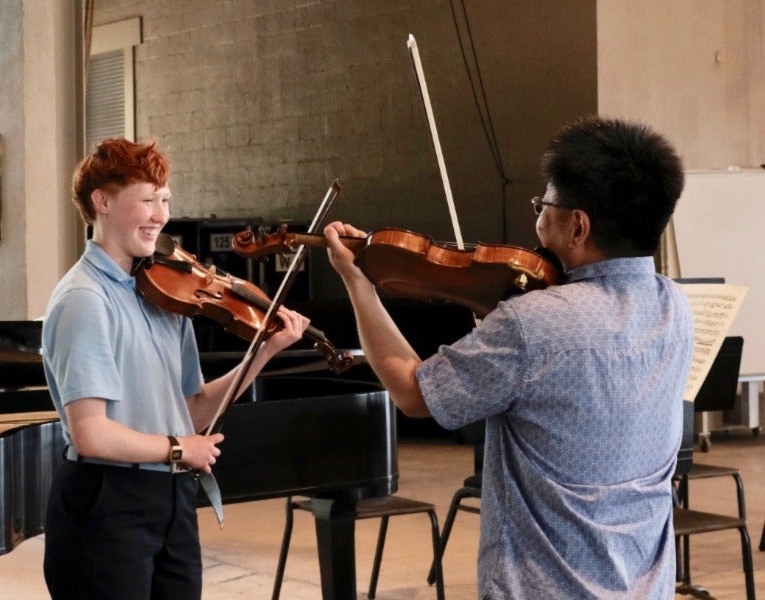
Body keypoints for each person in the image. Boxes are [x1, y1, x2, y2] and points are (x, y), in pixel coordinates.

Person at [323, 116, 693, 599]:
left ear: (578, 226)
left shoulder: (531, 322)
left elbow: (414, 394)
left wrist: (358, 283)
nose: (538, 220)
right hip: (646, 584)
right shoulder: (676, 305)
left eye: (546, 206)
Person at [41, 137, 309, 600]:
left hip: (171, 500)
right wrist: (179, 449)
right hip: (107, 502)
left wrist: (263, 353)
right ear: (102, 202)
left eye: (164, 199)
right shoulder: (84, 300)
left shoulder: (167, 297)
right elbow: (92, 434)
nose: (161, 215)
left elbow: (193, 409)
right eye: (146, 199)